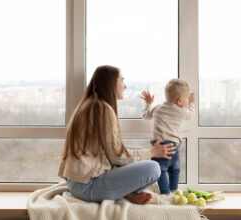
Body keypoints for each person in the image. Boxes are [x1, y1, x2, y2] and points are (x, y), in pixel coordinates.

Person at [58, 65, 176, 205]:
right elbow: (118, 157)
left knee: (134, 164)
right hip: (87, 187)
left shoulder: (88, 105)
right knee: (153, 168)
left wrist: (147, 153)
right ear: (110, 83)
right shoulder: (103, 109)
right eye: (122, 80)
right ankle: (125, 192)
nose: (125, 86)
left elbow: (114, 152)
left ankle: (126, 193)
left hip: (75, 183)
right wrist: (152, 152)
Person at [140, 79, 195, 194]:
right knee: (175, 170)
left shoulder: (158, 108)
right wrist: (191, 103)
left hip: (159, 147)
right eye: (186, 98)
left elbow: (146, 115)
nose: (187, 100)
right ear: (180, 101)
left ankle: (165, 193)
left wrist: (148, 103)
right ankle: (174, 191)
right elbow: (191, 114)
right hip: (174, 147)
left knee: (161, 171)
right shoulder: (181, 111)